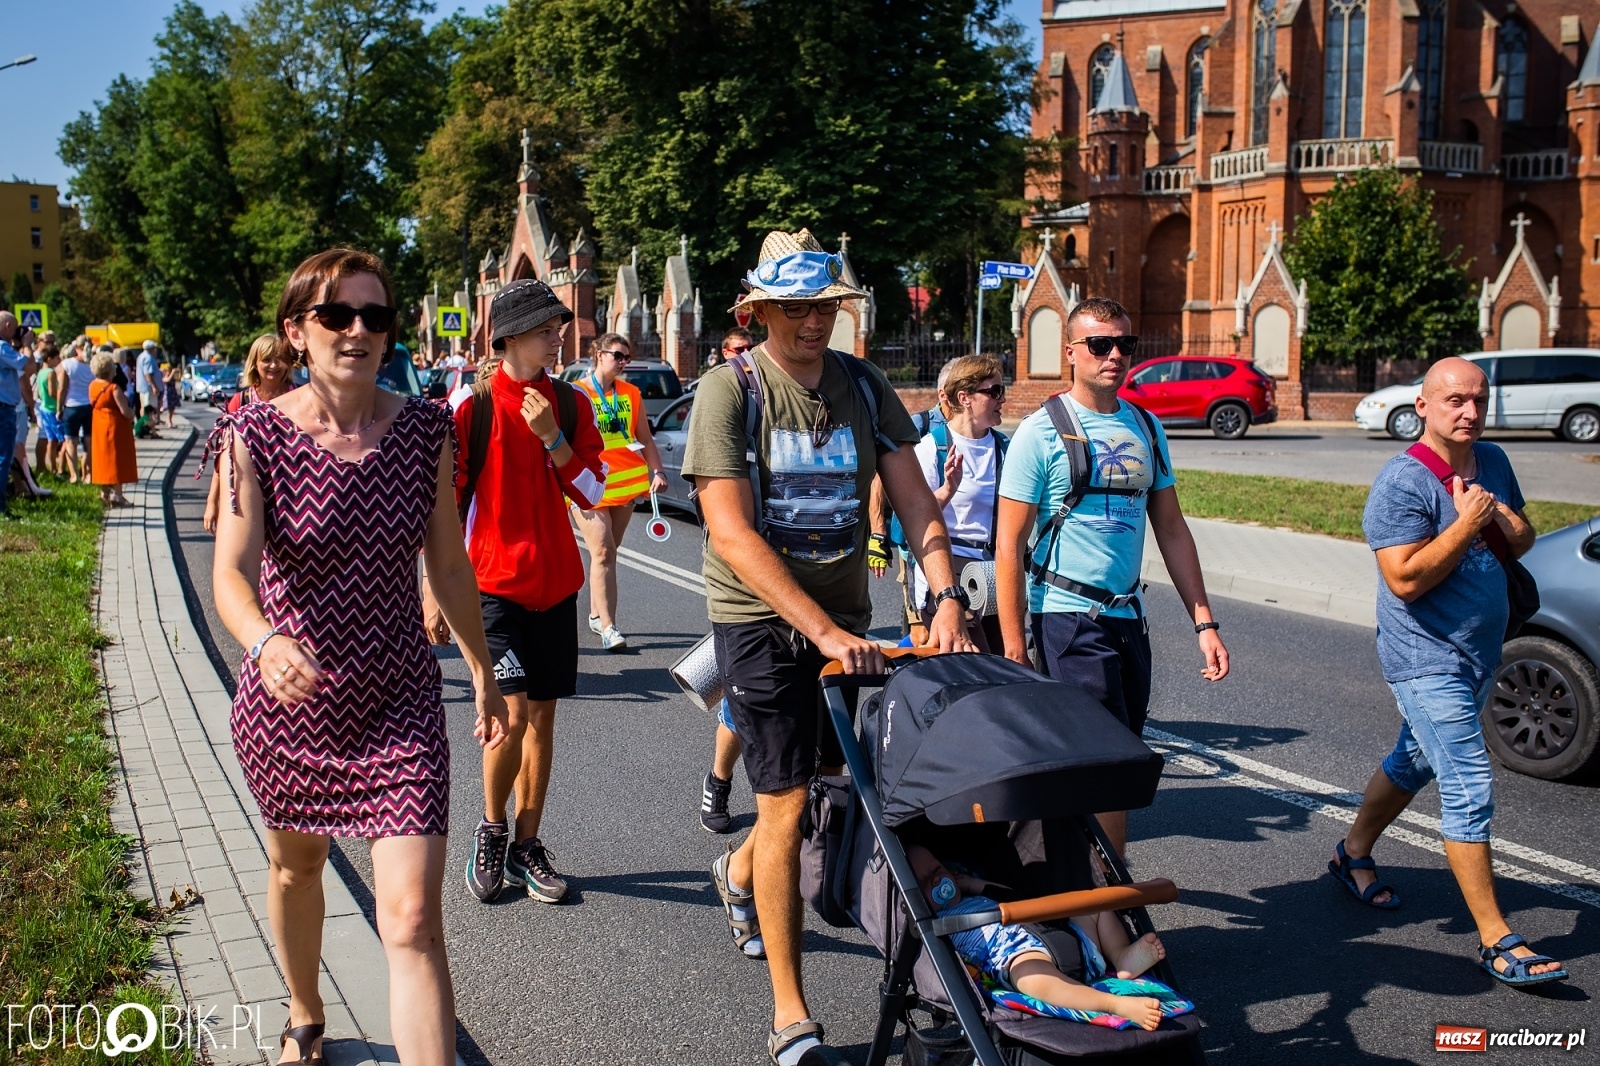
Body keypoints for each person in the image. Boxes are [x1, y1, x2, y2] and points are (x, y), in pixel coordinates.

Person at [210, 248, 510, 1066]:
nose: (358, 330)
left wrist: (483, 670)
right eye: (337, 315)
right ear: (296, 331)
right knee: (298, 869)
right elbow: (231, 574)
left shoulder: (424, 431)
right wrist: (265, 640)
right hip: (292, 703)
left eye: (375, 316)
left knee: (411, 919)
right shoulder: (254, 435)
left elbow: (448, 564)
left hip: (398, 699)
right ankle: (305, 1010)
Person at [683, 227, 975, 1066]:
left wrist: (946, 595)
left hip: (843, 620)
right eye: (796, 309)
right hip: (759, 623)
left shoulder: (864, 384)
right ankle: (791, 1017)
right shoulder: (730, 390)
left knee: (826, 792)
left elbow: (914, 500)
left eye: (827, 307)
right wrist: (823, 633)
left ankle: (738, 873)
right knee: (782, 802)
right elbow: (731, 532)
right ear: (760, 311)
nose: (814, 323)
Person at [1334, 357, 1566, 987]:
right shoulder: (1401, 483)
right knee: (1468, 785)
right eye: (1455, 400)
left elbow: (1522, 539)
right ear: (1424, 406)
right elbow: (1404, 579)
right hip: (1424, 658)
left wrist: (1496, 517)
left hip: (1480, 653)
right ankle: (1496, 938)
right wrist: (1466, 524)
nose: (1469, 412)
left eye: (1478, 401)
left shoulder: (1493, 460)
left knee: (1413, 761)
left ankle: (1351, 852)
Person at [994, 297, 1229, 858]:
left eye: (1125, 344)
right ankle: (1115, 889)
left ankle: (1063, 875)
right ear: (1071, 352)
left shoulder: (1145, 425)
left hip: (1128, 618)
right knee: (1109, 762)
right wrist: (1013, 647)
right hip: (1067, 619)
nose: (1115, 355)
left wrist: (1205, 622)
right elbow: (1008, 545)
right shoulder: (1039, 432)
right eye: (1100, 345)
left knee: (1111, 752)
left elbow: (1171, 528)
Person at [421, 278, 606, 906]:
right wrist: (432, 589)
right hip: (490, 586)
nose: (558, 338)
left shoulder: (571, 405)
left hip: (554, 585)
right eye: (545, 329)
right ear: (509, 337)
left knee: (543, 719)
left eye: (558, 328)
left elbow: (594, 492)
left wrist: (554, 437)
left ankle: (528, 843)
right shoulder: (471, 408)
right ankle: (492, 827)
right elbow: (445, 507)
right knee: (512, 714)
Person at [905, 846, 1188, 1032]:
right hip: (1017, 955)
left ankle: (1120, 956)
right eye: (924, 883)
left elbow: (1012, 896)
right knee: (1030, 980)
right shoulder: (935, 922)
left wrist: (971, 883)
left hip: (1052, 931)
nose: (935, 881)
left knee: (1096, 907)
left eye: (937, 870)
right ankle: (1113, 1005)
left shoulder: (975, 896)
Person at [572, 332, 668, 650]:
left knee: (608, 553)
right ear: (599, 354)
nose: (623, 362)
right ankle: (609, 627)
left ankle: (595, 613)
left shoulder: (631, 393)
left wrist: (658, 471)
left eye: (627, 357)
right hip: (588, 485)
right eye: (618, 355)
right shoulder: (578, 392)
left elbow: (645, 438)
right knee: (602, 550)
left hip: (626, 484)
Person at [910, 353, 1008, 652]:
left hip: (995, 573)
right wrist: (948, 490)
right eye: (994, 392)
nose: (1002, 399)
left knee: (1003, 665)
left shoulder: (1005, 448)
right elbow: (911, 520)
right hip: (948, 571)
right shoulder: (932, 448)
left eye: (1002, 390)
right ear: (965, 398)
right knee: (975, 665)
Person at [869, 356, 958, 644]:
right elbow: (880, 477)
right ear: (944, 395)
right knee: (922, 633)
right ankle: (902, 670)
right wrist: (878, 533)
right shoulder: (920, 426)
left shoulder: (984, 435)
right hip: (917, 543)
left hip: (961, 547)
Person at [204, 335, 298, 534]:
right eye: (267, 359)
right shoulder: (241, 402)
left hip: (293, 492)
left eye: (280, 359)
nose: (274, 365)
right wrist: (212, 501)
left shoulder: (302, 397)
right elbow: (223, 456)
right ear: (255, 363)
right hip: (250, 491)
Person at [0, 312, 38, 518]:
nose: (16, 332)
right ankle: (1, 507)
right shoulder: (2, 348)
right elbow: (29, 366)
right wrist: (27, 344)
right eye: (14, 328)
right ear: (7, 325)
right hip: (3, 408)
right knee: (3, 458)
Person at [88, 350, 137, 507]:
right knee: (116, 460)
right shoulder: (113, 388)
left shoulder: (92, 386)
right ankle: (117, 495)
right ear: (110, 369)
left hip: (99, 427)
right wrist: (133, 413)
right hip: (115, 428)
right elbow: (125, 411)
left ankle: (104, 493)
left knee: (102, 459)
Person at [60, 337, 95, 483]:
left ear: (77, 347)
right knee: (89, 442)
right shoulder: (93, 364)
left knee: (71, 441)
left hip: (71, 406)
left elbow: (62, 388)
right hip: (89, 406)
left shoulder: (67, 364)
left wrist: (59, 408)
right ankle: (89, 474)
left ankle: (74, 475)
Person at [33, 342, 66, 480]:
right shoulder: (51, 373)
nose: (59, 360)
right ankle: (61, 469)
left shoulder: (41, 372)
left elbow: (40, 392)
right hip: (53, 409)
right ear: (50, 359)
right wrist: (62, 399)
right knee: (64, 440)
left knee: (51, 440)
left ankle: (52, 468)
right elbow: (52, 391)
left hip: (44, 408)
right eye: (57, 358)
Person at [135, 339, 162, 424]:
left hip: (143, 387)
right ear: (151, 349)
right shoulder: (148, 358)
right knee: (148, 408)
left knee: (144, 406)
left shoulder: (141, 356)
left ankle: (147, 424)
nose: (155, 350)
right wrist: (154, 387)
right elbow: (148, 374)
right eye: (154, 348)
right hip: (148, 388)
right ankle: (147, 425)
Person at [162, 360, 181, 427]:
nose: (168, 371)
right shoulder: (164, 377)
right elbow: (167, 380)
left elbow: (179, 379)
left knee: (172, 408)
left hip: (173, 393)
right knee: (169, 408)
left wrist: (179, 372)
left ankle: (169, 421)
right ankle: (168, 421)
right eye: (167, 370)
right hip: (168, 394)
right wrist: (172, 373)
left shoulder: (172, 376)